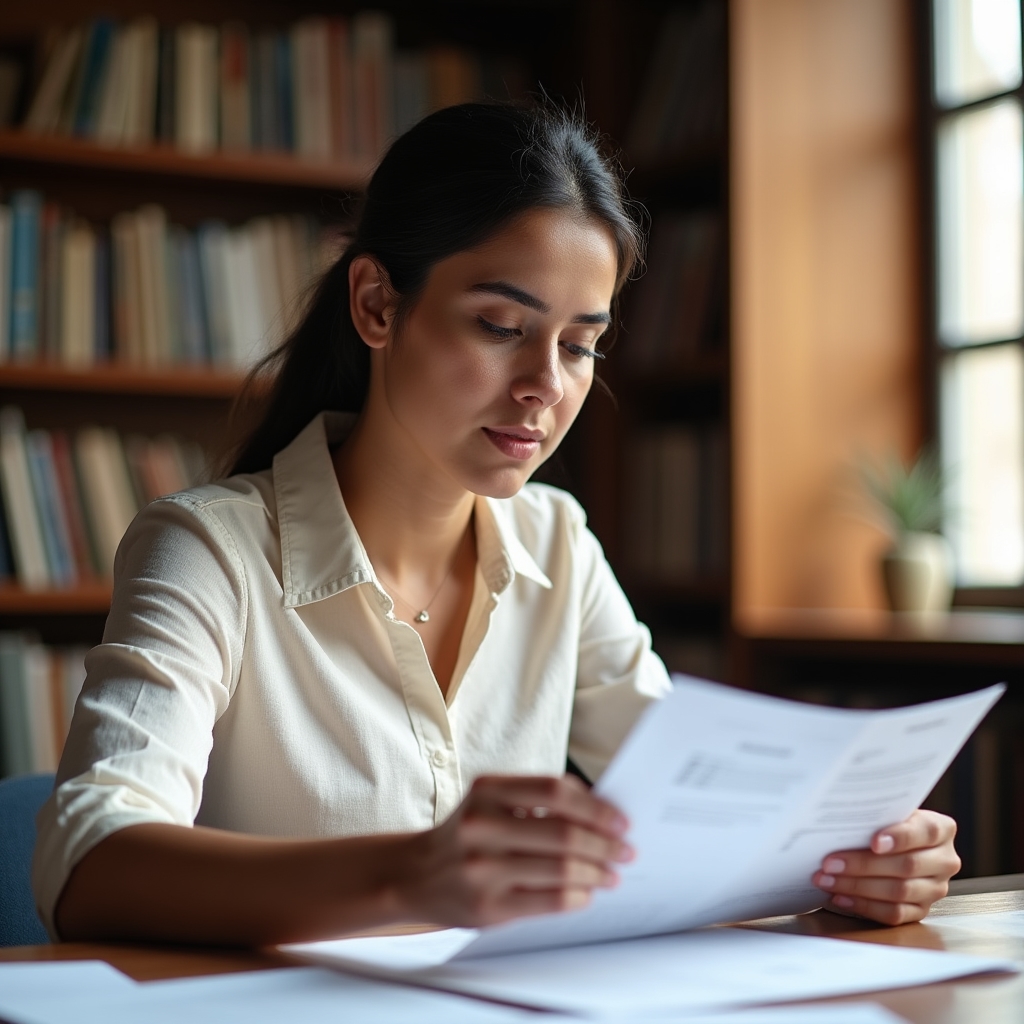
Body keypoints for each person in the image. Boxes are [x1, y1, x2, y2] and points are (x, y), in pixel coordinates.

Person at [33, 103, 960, 946]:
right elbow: (86, 861)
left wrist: (857, 851)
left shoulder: (558, 542)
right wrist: (413, 875)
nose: (544, 388)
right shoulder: (210, 550)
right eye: (498, 325)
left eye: (580, 344)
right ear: (376, 305)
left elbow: (707, 796)